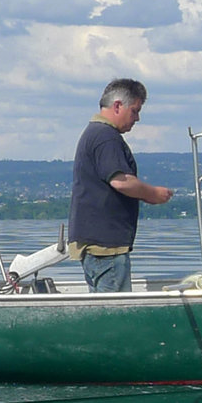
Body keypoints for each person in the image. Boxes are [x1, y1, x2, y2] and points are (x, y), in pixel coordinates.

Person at [68, 78, 173, 292]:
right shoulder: (106, 137)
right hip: (106, 248)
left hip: (95, 245)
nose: (137, 118)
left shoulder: (94, 133)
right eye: (134, 111)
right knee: (114, 313)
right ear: (118, 106)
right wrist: (152, 193)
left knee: (101, 308)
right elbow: (120, 181)